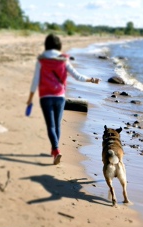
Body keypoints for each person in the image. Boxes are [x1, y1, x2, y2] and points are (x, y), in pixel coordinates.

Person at [26, 33, 100, 165]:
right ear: (59, 45)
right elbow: (77, 76)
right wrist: (92, 80)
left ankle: (55, 149)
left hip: (46, 98)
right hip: (60, 97)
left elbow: (35, 80)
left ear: (47, 45)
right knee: (57, 125)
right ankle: (55, 149)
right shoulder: (63, 60)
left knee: (50, 126)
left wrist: (30, 99)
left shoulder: (41, 60)